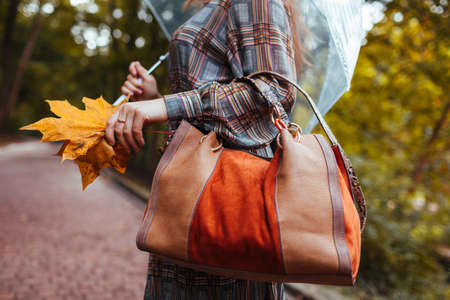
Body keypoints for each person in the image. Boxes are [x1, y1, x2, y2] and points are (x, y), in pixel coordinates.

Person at [105, 0, 304, 298]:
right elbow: (207, 121)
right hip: (194, 195)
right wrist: (155, 98)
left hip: (227, 203)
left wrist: (162, 106)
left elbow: (274, 89)